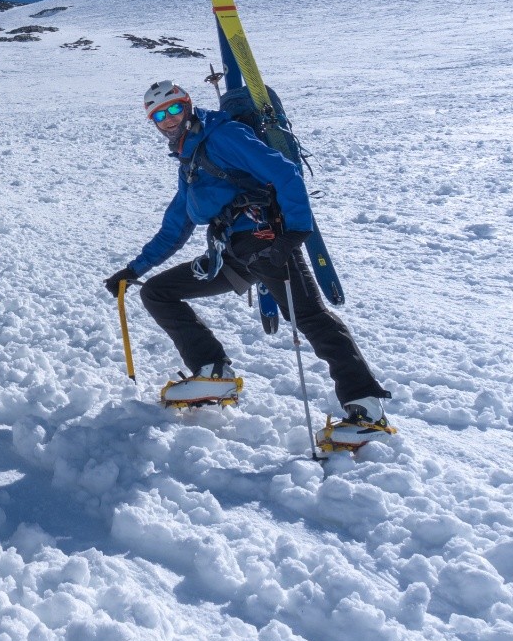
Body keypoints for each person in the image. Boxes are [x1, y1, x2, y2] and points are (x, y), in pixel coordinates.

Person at [103, 80, 390, 431]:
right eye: (160, 115)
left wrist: (295, 233)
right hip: (230, 255)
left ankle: (366, 408)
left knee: (310, 317)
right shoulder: (190, 161)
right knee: (158, 292)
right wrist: (133, 270)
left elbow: (284, 171)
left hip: (264, 241)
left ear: (189, 105)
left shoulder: (223, 137)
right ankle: (213, 371)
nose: (169, 118)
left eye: (175, 108)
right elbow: (175, 228)